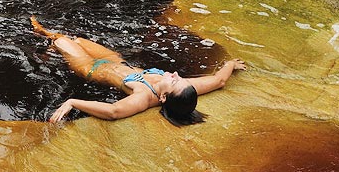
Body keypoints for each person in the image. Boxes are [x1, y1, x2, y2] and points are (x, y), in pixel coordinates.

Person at [31, 16, 246, 124]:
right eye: (178, 78)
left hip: (90, 68)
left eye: (173, 81)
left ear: (162, 97)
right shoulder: (184, 90)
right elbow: (219, 81)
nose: (175, 75)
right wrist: (231, 65)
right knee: (76, 39)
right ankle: (49, 52)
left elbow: (113, 112)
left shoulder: (143, 97)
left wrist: (72, 102)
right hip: (113, 60)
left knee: (58, 39)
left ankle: (40, 35)